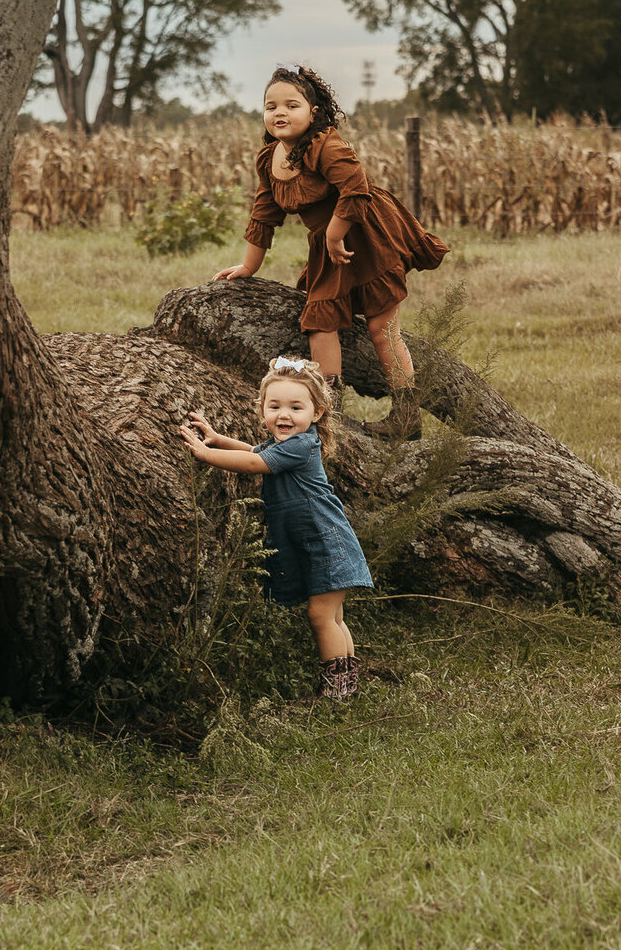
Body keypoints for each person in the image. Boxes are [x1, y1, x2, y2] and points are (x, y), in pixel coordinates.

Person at [211, 63, 448, 433]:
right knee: (319, 322)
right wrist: (248, 267)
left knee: (382, 328)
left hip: (367, 232)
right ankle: (328, 411)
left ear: (313, 112)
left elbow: (357, 190)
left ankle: (407, 416)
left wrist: (336, 236)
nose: (280, 113)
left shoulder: (326, 146)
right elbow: (264, 213)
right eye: (271, 106)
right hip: (328, 242)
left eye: (292, 105)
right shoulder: (269, 157)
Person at [178, 357, 372, 700]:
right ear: (262, 408)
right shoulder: (284, 445)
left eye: (296, 407)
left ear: (317, 413)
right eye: (275, 406)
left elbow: (255, 463)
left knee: (321, 615)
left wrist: (205, 456)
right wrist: (218, 439)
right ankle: (347, 681)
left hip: (327, 541)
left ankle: (339, 688)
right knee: (333, 617)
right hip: (315, 540)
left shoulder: (301, 444)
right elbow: (255, 450)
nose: (284, 414)